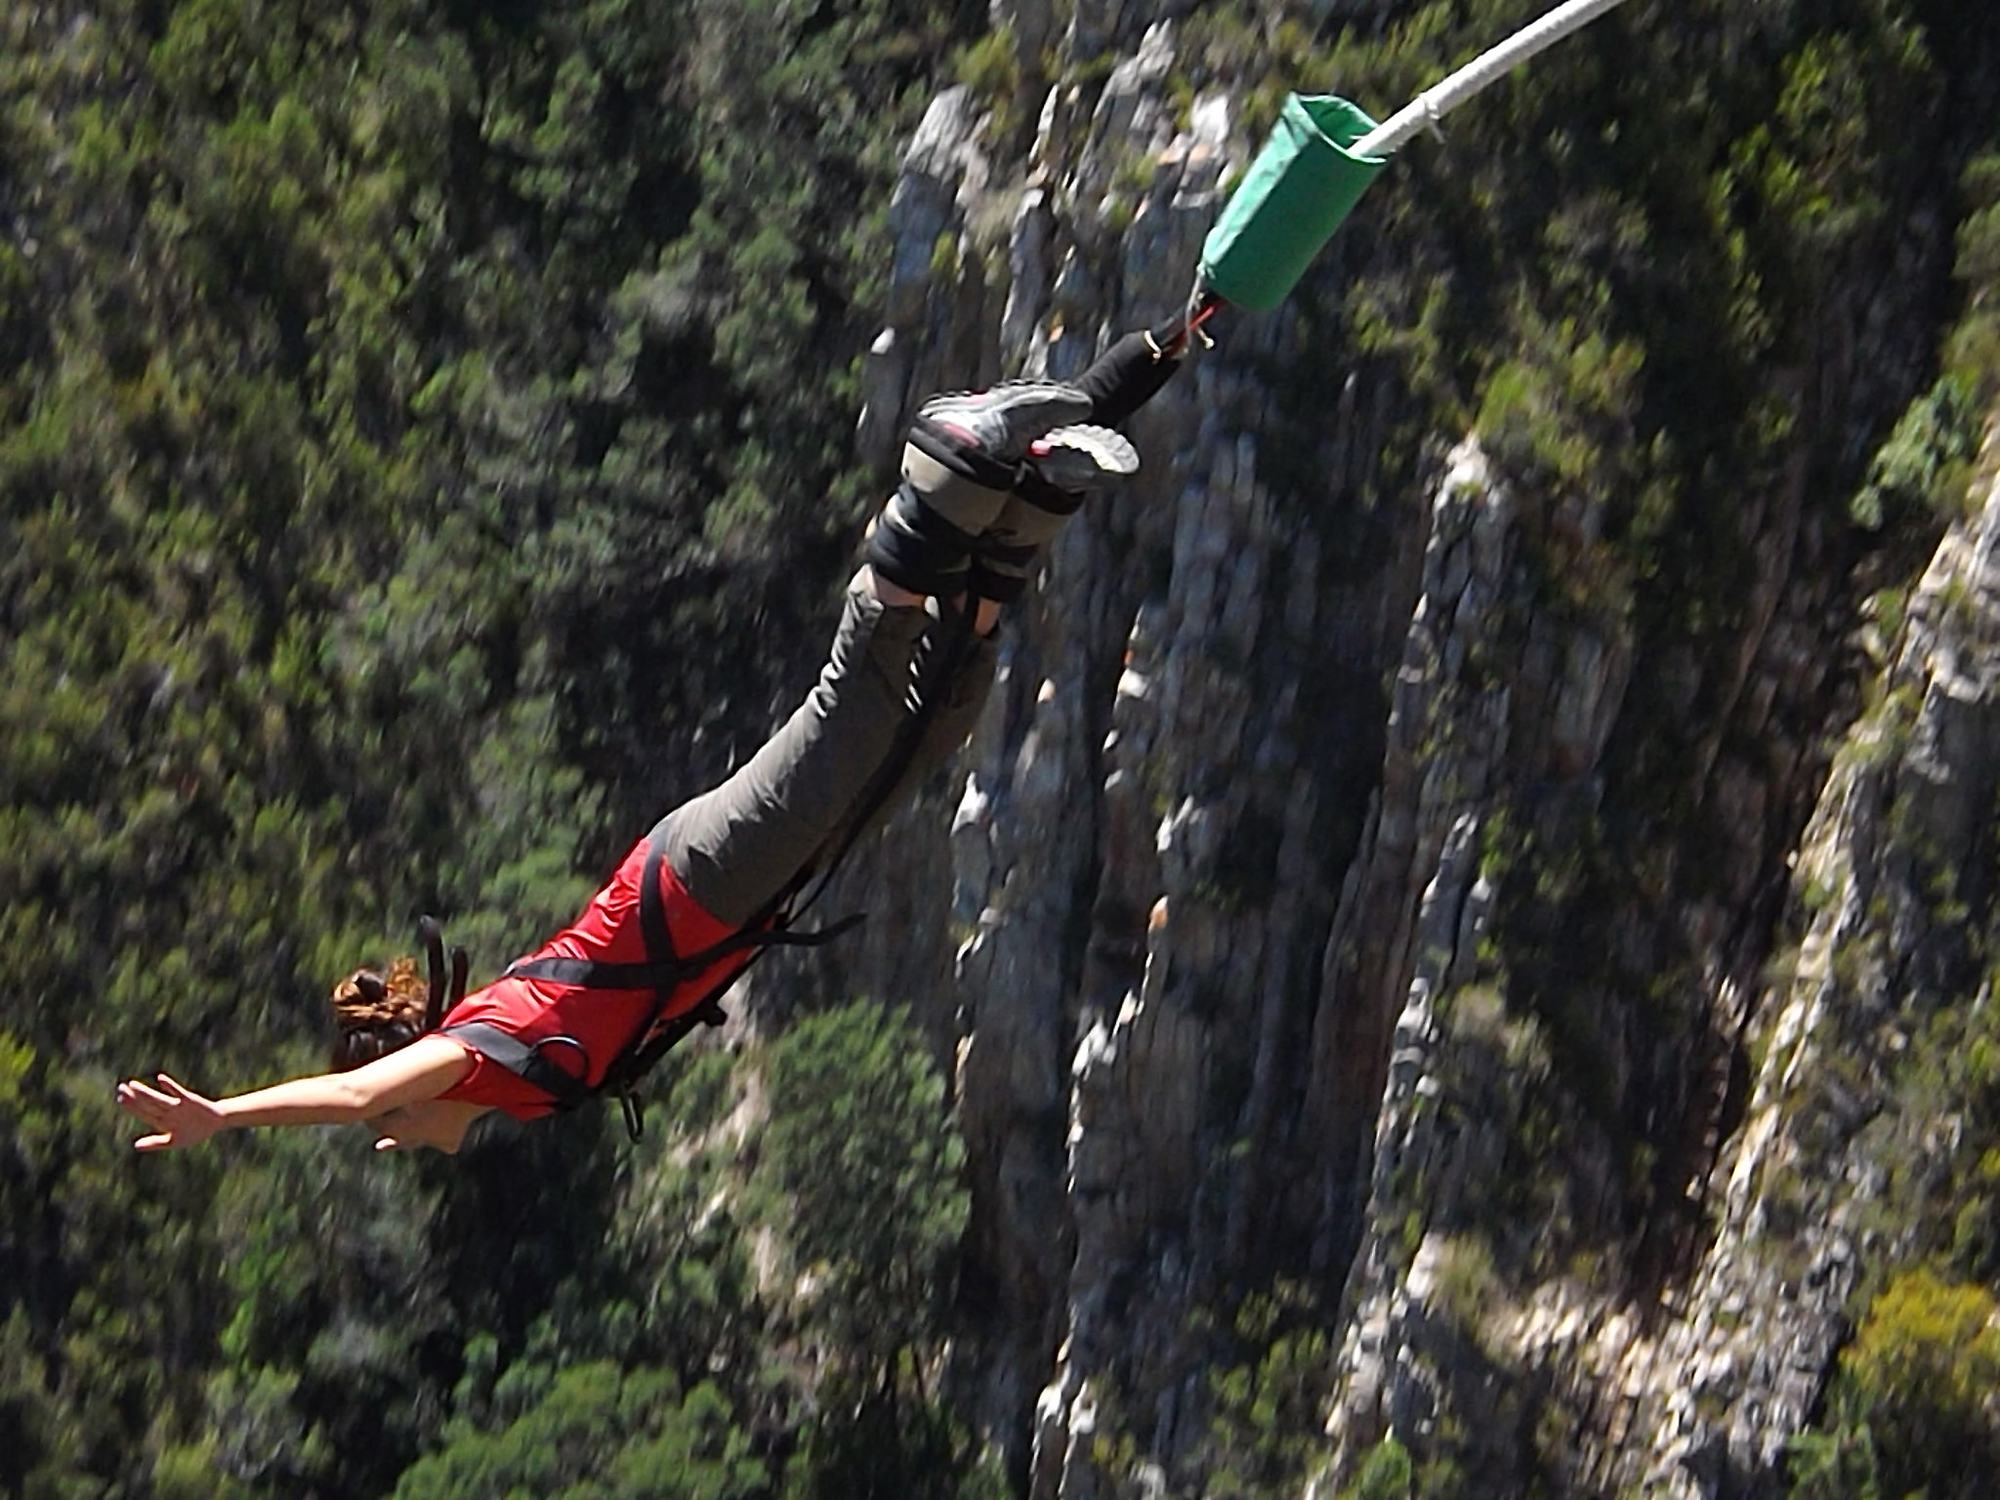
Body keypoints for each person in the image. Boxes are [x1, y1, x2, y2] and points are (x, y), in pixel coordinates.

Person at [117, 329, 1189, 1155]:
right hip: (741, 902)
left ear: (404, 1087)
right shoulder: (503, 1087)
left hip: (696, 880)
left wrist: (225, 1115)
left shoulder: (468, 1052)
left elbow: (357, 1095)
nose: (394, 1141)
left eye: (390, 1129)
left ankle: (942, 474)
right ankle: (1024, 505)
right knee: (926, 729)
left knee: (858, 710)